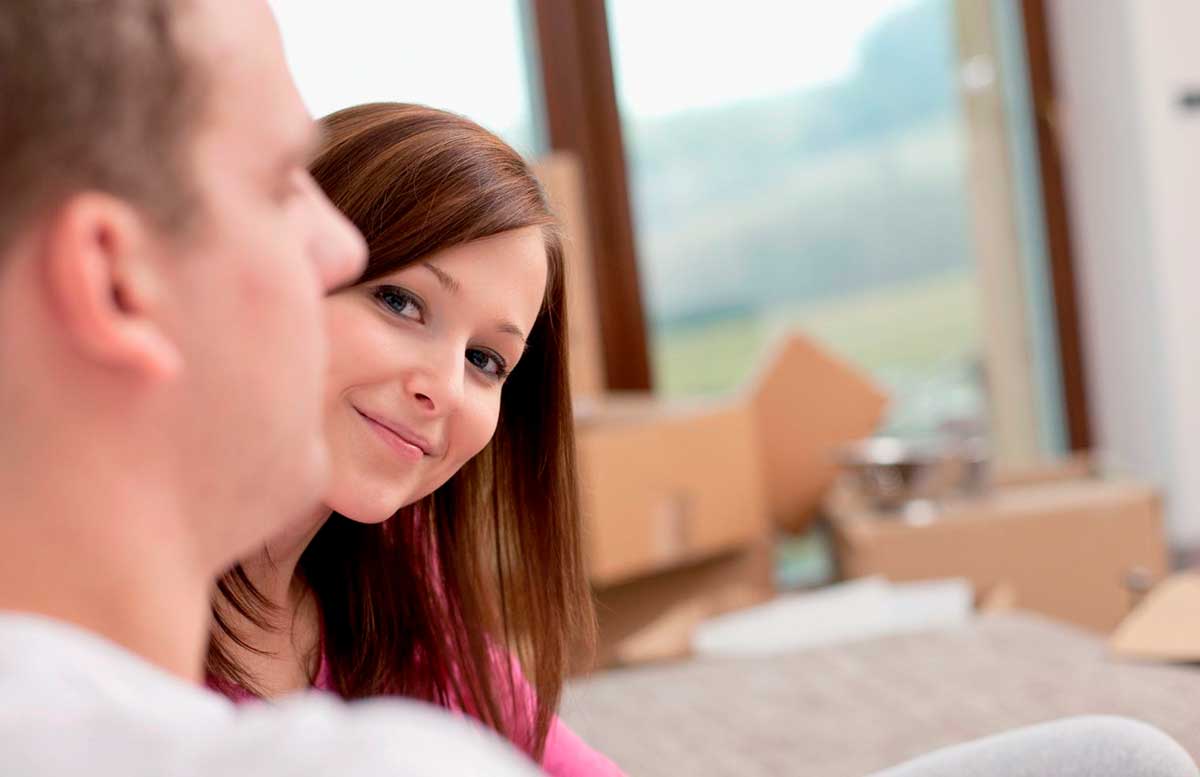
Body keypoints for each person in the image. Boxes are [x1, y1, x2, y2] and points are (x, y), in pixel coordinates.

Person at [0, 1, 543, 774]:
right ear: (116, 280)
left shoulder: (398, 586)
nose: (339, 243)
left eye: (489, 359)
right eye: (282, 184)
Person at [207, 102, 623, 777]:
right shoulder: (97, 633)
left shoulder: (398, 577)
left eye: (485, 360)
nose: (445, 389)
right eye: (401, 302)